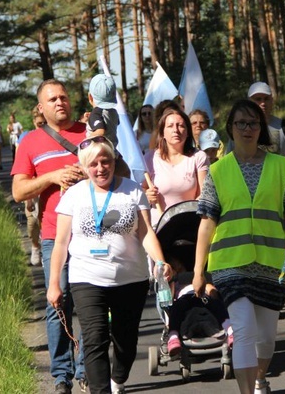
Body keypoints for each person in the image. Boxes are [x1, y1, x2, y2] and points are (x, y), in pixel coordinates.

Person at [194, 99, 285, 394]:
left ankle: (259, 378)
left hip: (272, 263)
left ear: (261, 128)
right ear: (230, 128)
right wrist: (198, 270)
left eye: (253, 123)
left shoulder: (281, 166)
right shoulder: (218, 171)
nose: (247, 128)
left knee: (265, 337)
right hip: (230, 263)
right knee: (243, 331)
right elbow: (207, 222)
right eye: (240, 123)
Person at [46, 136, 171, 394]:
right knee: (95, 340)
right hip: (86, 278)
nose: (100, 168)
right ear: (83, 167)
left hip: (130, 279)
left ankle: (119, 377)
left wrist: (160, 261)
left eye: (106, 161)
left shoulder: (133, 190)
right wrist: (54, 284)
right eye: (93, 164)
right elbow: (60, 243)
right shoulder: (74, 196)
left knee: (126, 343)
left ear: (114, 162)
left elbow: (145, 233)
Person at [11, 79, 86, 393]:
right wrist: (53, 177)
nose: (60, 102)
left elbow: (117, 170)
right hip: (54, 235)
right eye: (52, 99)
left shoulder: (90, 134)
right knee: (58, 302)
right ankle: (61, 376)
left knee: (91, 305)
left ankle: (86, 371)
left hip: (93, 234)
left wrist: (88, 172)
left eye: (64, 97)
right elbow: (18, 191)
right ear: (41, 108)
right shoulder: (30, 141)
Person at [143, 106, 209, 226]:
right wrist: (146, 196)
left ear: (188, 131)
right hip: (159, 227)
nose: (176, 130)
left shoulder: (199, 157)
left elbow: (204, 195)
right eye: (170, 126)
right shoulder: (150, 158)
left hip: (190, 226)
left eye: (181, 125)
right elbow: (140, 190)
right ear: (162, 132)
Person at [248, 82, 285, 208]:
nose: (263, 103)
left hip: (281, 194)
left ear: (272, 100)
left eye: (266, 99)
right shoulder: (241, 129)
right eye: (258, 99)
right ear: (250, 101)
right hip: (248, 194)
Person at [165, 256, 232, 357]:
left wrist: (212, 293)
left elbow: (210, 289)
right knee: (176, 307)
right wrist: (169, 281)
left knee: (217, 304)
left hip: (202, 296)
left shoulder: (203, 278)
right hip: (185, 299)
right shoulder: (177, 283)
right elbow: (171, 296)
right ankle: (173, 336)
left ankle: (230, 330)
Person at [16, 106, 47, 266]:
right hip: (32, 186)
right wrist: (27, 195)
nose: (41, 126)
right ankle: (35, 246)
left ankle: (48, 250)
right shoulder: (26, 139)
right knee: (32, 222)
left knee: (46, 221)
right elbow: (21, 168)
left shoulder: (52, 136)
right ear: (34, 122)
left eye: (44, 123)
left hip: (48, 185)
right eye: (39, 123)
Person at [86, 74, 130, 178]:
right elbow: (109, 123)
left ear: (90, 97)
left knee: (76, 171)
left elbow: (100, 131)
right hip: (114, 153)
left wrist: (85, 141)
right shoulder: (113, 112)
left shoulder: (96, 114)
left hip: (98, 153)